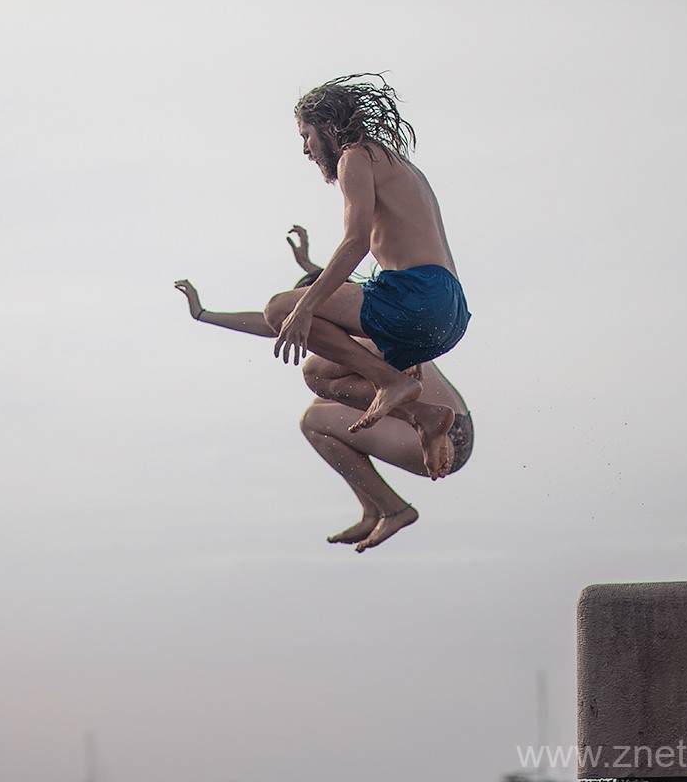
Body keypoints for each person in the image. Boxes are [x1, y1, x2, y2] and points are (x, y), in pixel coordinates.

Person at [174, 225, 473, 551]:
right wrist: (204, 314)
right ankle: (374, 508)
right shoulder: (369, 318)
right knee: (319, 408)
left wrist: (310, 284)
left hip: (447, 436)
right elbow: (278, 321)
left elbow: (332, 293)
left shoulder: (369, 327)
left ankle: (393, 506)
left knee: (315, 412)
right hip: (456, 428)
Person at [263, 73, 472, 482]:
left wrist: (304, 308)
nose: (305, 149)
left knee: (278, 309)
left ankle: (391, 384)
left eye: (306, 136)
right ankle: (423, 415)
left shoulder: (354, 157)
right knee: (318, 374)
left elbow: (355, 242)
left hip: (418, 296)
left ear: (327, 126)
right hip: (448, 312)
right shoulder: (397, 163)